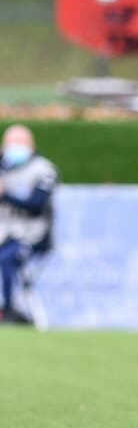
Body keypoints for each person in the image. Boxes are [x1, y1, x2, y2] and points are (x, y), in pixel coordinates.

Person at [0, 124, 58, 324]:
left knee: (6, 258)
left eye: (19, 143)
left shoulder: (44, 170)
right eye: (10, 143)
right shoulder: (4, 168)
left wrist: (5, 195)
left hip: (33, 236)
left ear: (31, 145)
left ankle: (8, 311)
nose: (14, 147)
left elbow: (36, 204)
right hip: (5, 234)